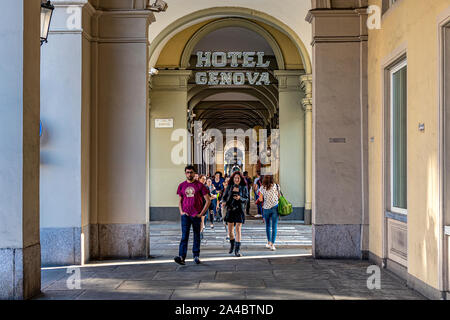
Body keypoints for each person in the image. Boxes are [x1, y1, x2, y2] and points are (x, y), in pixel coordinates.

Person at [174, 166, 210, 265]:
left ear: (194, 173)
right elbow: (180, 201)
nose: (189, 174)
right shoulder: (182, 185)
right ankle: (182, 257)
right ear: (185, 173)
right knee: (184, 236)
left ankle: (196, 256)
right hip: (185, 215)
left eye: (191, 172)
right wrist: (181, 212)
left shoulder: (200, 185)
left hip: (196, 215)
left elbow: (208, 201)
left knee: (196, 235)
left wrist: (201, 214)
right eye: (187, 172)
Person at [221, 172, 249, 257]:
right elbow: (224, 197)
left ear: (240, 179)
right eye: (235, 178)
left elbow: (246, 199)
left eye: (238, 178)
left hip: (239, 209)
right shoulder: (229, 187)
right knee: (230, 231)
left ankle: (237, 250)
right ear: (233, 179)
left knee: (238, 229)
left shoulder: (244, 187)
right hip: (230, 209)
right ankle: (232, 244)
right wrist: (224, 202)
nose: (236, 179)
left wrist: (240, 198)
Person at [258, 175, 280, 251]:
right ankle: (273, 244)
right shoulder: (276, 186)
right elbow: (279, 196)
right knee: (274, 226)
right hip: (275, 207)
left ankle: (269, 242)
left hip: (266, 208)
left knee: (268, 226)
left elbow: (260, 199)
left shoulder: (262, 187)